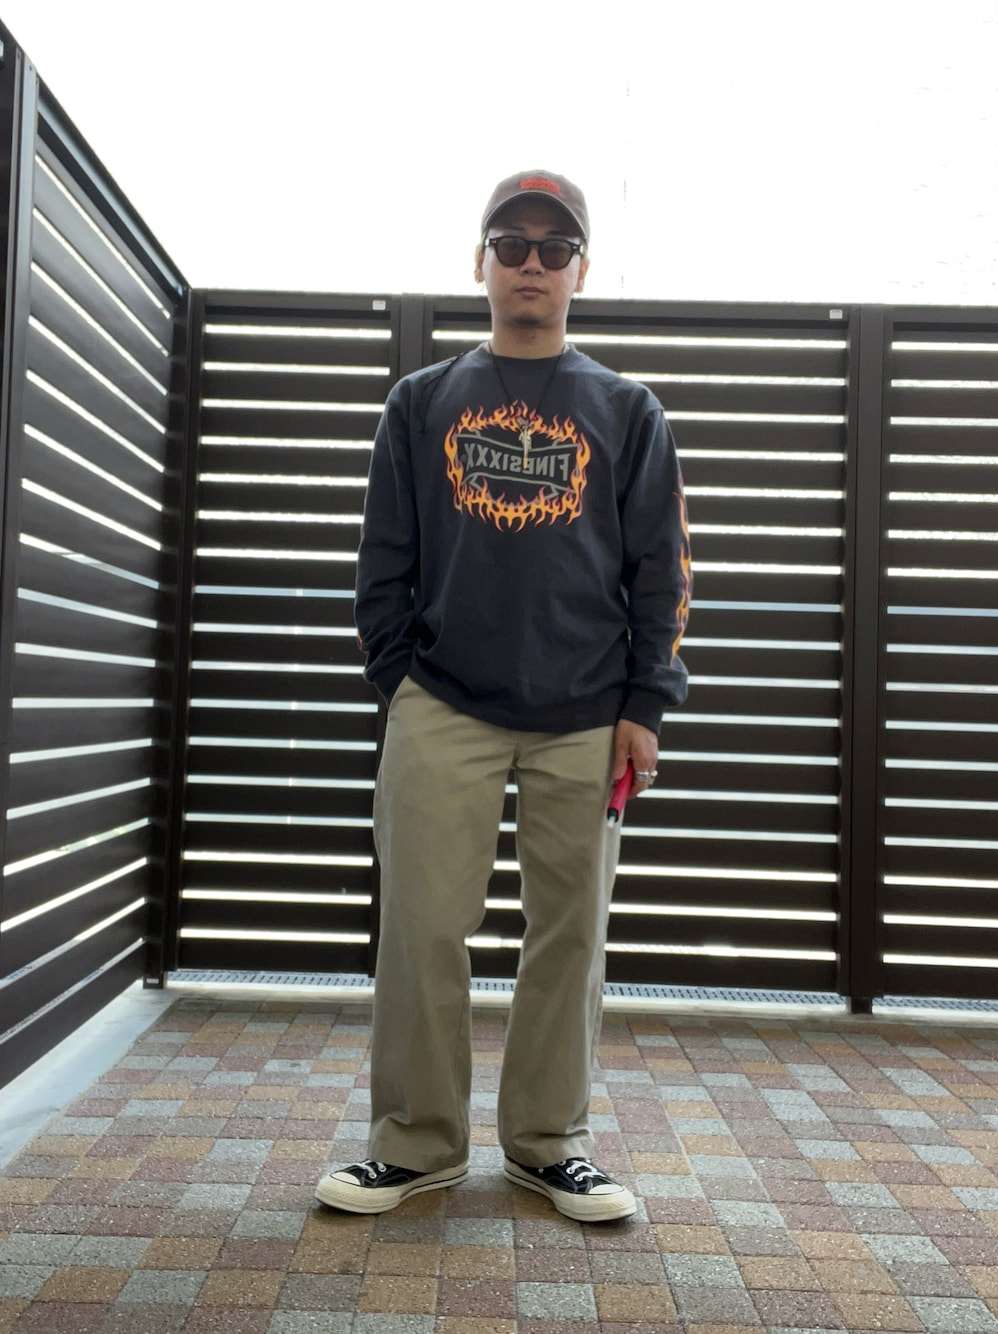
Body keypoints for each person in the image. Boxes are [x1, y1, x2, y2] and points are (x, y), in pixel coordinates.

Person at [316, 170, 691, 1223]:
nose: (532, 262)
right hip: (442, 705)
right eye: (511, 243)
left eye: (553, 246)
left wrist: (645, 705)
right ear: (478, 261)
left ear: (582, 269)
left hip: (588, 715)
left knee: (569, 937)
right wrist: (400, 684)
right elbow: (382, 560)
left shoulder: (628, 410)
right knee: (422, 928)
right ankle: (414, 1145)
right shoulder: (420, 401)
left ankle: (548, 1144)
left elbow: (662, 571)